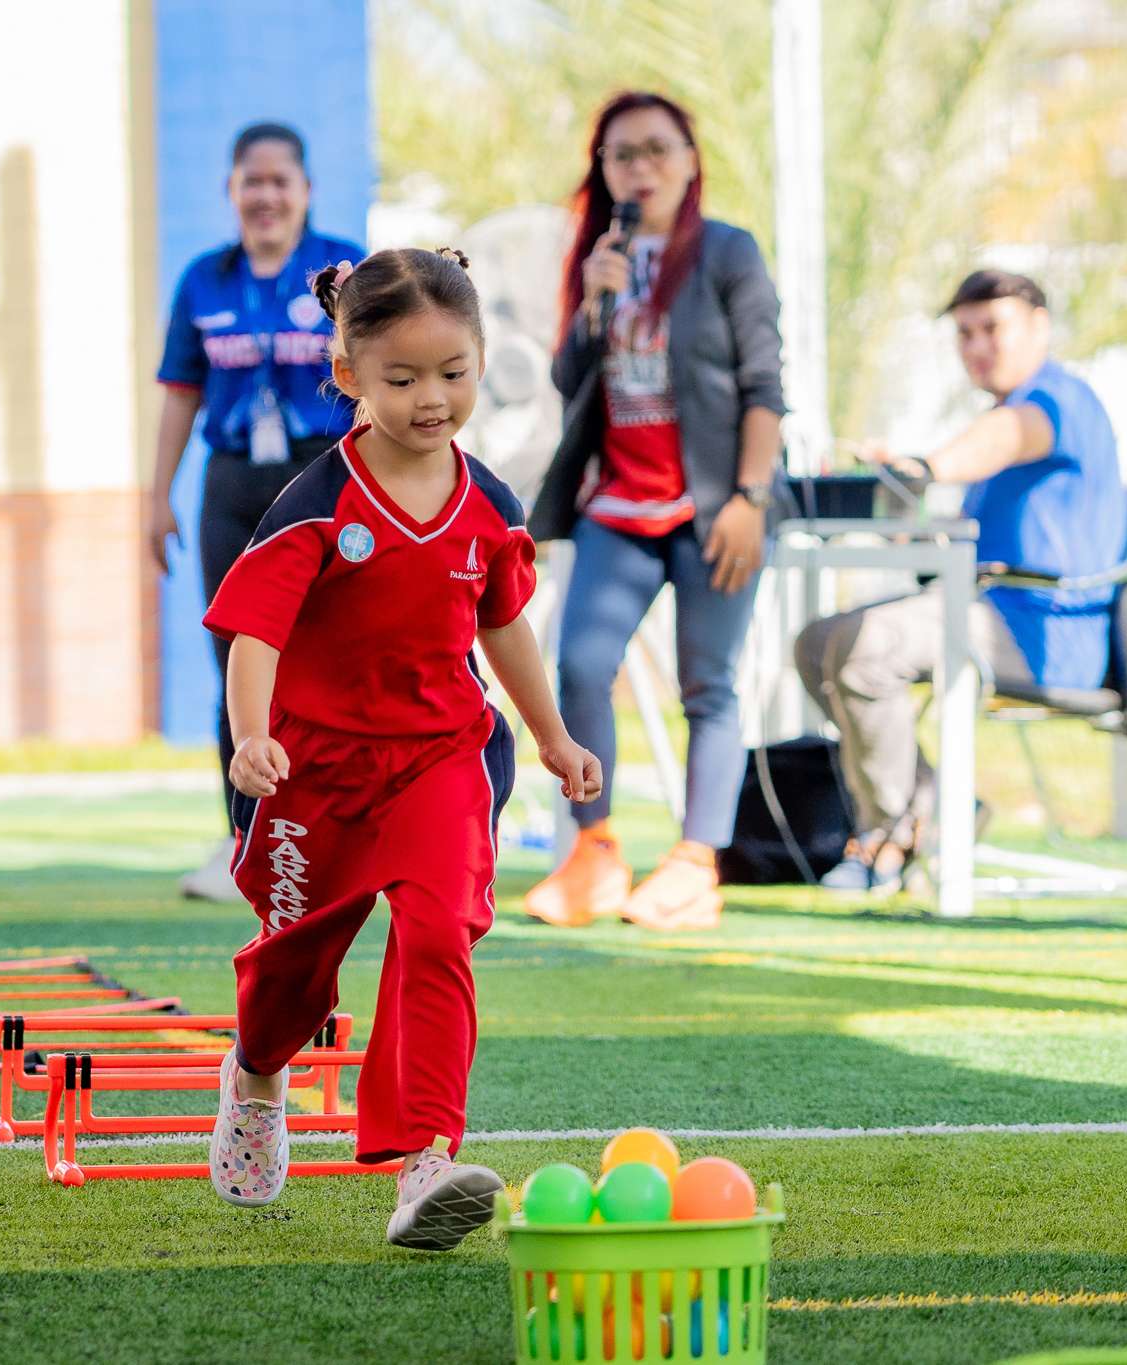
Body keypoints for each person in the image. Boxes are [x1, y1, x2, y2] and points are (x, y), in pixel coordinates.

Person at [202, 248, 602, 1249]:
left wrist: (552, 736)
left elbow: (500, 624)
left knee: (437, 935)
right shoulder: (314, 503)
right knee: (293, 973)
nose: (433, 399)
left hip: (440, 761)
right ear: (346, 377)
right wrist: (251, 738)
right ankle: (254, 1074)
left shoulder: (490, 506)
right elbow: (258, 635)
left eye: (453, 372)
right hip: (314, 775)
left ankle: (426, 1162)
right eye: (403, 378)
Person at [522, 91, 787, 934]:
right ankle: (593, 848)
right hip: (619, 505)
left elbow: (764, 388)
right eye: (622, 155)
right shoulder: (597, 255)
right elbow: (569, 383)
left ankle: (695, 862)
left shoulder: (727, 253)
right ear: (603, 171)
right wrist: (595, 303)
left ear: (690, 158)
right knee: (579, 667)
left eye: (657, 149)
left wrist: (749, 498)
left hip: (713, 509)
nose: (641, 167)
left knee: (707, 682)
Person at [794, 269, 1127, 890]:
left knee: (866, 646)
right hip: (983, 608)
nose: (977, 347)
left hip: (1045, 631)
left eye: (992, 328)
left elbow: (1006, 436)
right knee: (817, 643)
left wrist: (923, 468)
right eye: (965, 334)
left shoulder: (1056, 401)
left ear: (1039, 325)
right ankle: (941, 809)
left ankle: (889, 840)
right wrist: (896, 508)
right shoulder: (1002, 423)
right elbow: (954, 545)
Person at [147, 121, 363, 903]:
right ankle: (246, 838)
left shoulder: (344, 271)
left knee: (330, 660)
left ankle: (336, 834)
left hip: (324, 477)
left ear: (305, 190)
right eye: (252, 181)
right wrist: (156, 494)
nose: (266, 195)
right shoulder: (204, 279)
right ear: (231, 191)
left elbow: (384, 374)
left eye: (281, 181)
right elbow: (180, 389)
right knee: (238, 661)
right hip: (232, 485)